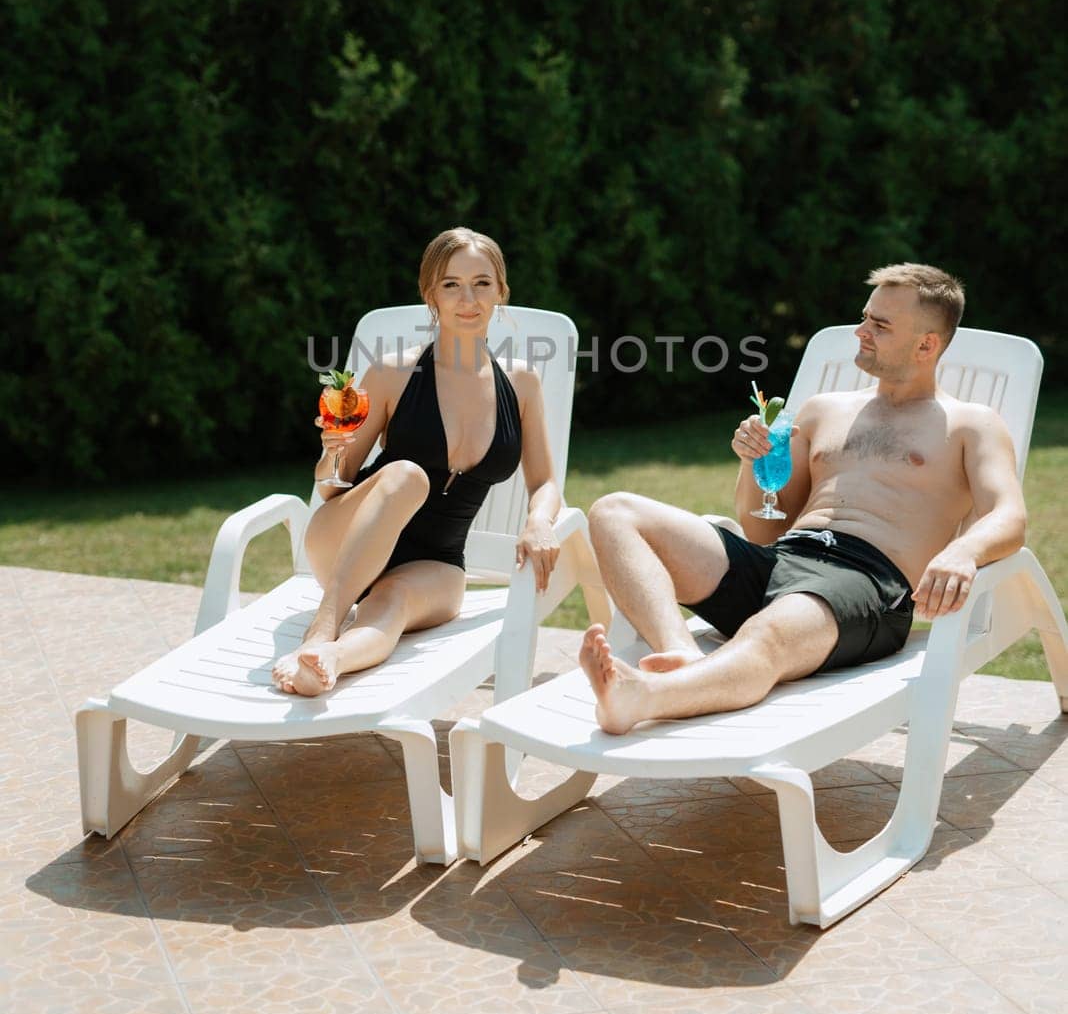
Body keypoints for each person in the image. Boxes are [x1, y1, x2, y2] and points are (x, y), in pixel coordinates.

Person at [580, 263, 1027, 735]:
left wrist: (962, 551)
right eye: (865, 318)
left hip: (866, 584)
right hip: (783, 559)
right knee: (614, 511)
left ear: (926, 344)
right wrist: (751, 463)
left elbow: (1010, 515)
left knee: (765, 633)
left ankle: (642, 697)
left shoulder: (970, 424)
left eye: (880, 325)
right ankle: (683, 656)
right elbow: (764, 528)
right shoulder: (822, 411)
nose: (860, 332)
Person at [272, 228, 560, 697]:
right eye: (451, 284)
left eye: (482, 283)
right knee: (407, 475)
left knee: (393, 603)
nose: (468, 298)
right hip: (343, 540)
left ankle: (328, 659)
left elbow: (544, 480)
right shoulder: (392, 372)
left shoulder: (521, 384)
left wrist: (539, 520)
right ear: (431, 295)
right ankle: (323, 628)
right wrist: (332, 452)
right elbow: (332, 489)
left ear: (501, 292)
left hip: (437, 562)